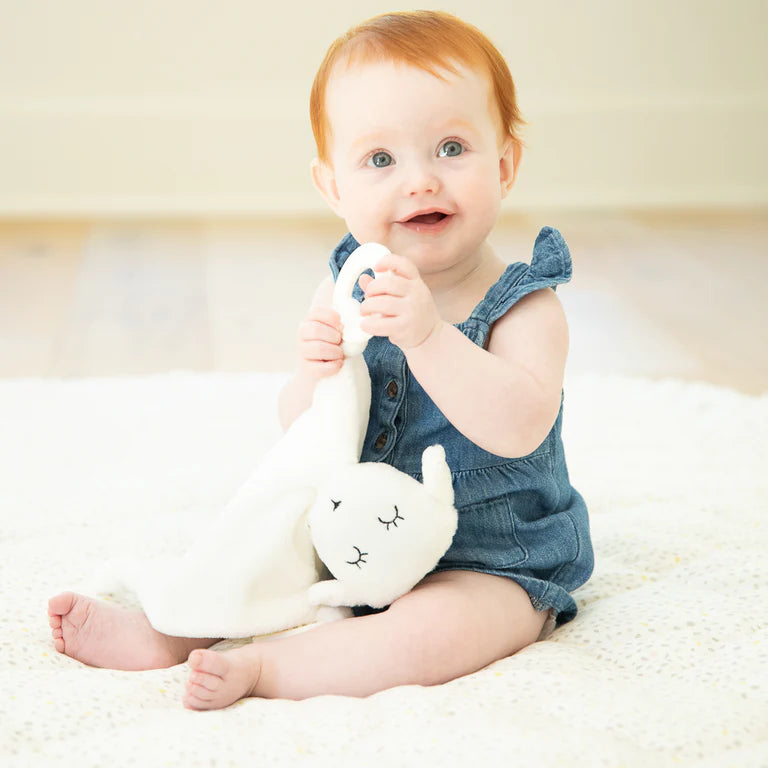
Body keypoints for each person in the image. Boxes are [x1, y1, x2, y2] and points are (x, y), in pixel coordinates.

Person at [47, 9, 593, 709]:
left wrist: (428, 337)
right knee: (254, 543)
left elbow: (517, 426)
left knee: (438, 633)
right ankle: (169, 632)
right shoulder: (349, 286)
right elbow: (302, 430)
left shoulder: (526, 305)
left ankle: (273, 669)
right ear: (334, 187)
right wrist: (313, 372)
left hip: (493, 558)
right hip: (349, 532)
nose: (420, 180)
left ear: (506, 164)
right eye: (380, 160)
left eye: (451, 147)